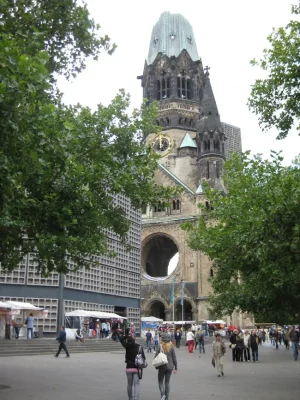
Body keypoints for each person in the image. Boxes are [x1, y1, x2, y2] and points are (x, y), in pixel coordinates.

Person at [119, 333, 145, 400]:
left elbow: (120, 339)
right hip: (136, 368)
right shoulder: (139, 347)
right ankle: (136, 398)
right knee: (136, 384)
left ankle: (130, 398)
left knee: (129, 384)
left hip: (129, 368)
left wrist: (126, 336)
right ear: (135, 339)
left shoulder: (127, 346)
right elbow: (143, 358)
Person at [155, 332, 177, 400]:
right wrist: (176, 367)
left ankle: (162, 395)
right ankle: (166, 397)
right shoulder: (171, 346)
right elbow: (174, 357)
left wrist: (156, 364)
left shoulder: (159, 345)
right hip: (170, 367)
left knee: (160, 381)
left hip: (162, 366)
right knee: (167, 382)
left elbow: (156, 356)